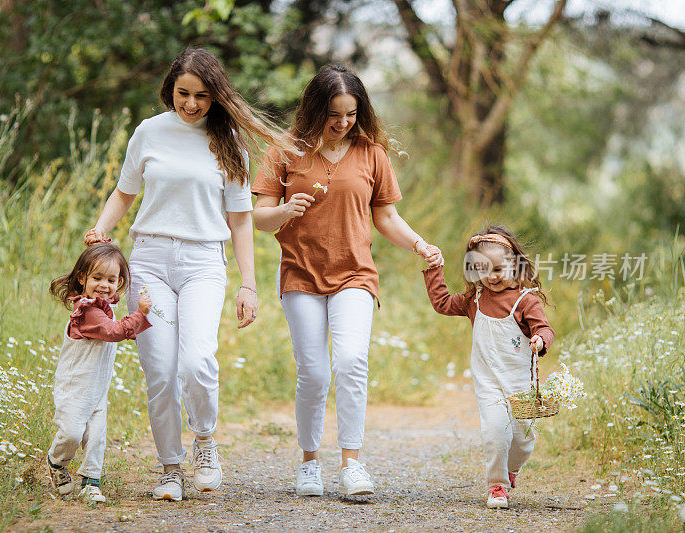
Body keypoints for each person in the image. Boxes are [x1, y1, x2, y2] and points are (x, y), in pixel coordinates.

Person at [83, 48, 298, 501]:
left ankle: (204, 441)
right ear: (170, 90)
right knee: (159, 371)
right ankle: (169, 469)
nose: (192, 104)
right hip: (149, 260)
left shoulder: (228, 141)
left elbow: (240, 219)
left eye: (202, 95)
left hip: (204, 261)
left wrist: (248, 285)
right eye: (183, 93)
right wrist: (100, 229)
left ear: (215, 96)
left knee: (196, 361)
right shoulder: (149, 132)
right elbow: (124, 194)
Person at [252, 64, 442, 498]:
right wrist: (284, 211)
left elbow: (387, 217)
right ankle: (308, 464)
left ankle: (352, 464)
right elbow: (260, 217)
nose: (342, 124)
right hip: (300, 273)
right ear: (314, 109)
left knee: (352, 361)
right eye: (333, 115)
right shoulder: (286, 149)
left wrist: (420, 245)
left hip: (355, 273)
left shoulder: (371, 152)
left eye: (351, 114)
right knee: (315, 374)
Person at [422, 225, 555, 509]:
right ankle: (497, 485)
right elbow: (443, 303)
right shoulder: (475, 299)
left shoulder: (525, 300)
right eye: (482, 269)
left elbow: (544, 329)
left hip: (522, 384)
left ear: (516, 266)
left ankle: (511, 470)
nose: (491, 276)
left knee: (524, 438)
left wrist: (540, 341)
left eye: (498, 269)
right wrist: (435, 270)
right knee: (496, 432)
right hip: (488, 383)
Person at [47, 242, 152, 503]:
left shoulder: (104, 308)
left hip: (97, 390)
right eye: (97, 278)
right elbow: (112, 331)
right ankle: (57, 462)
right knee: (72, 433)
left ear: (120, 282)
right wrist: (140, 315)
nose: (104, 285)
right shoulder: (88, 311)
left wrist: (135, 332)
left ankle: (90, 483)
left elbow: (113, 328)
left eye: (111, 279)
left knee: (96, 437)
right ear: (82, 278)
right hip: (75, 388)